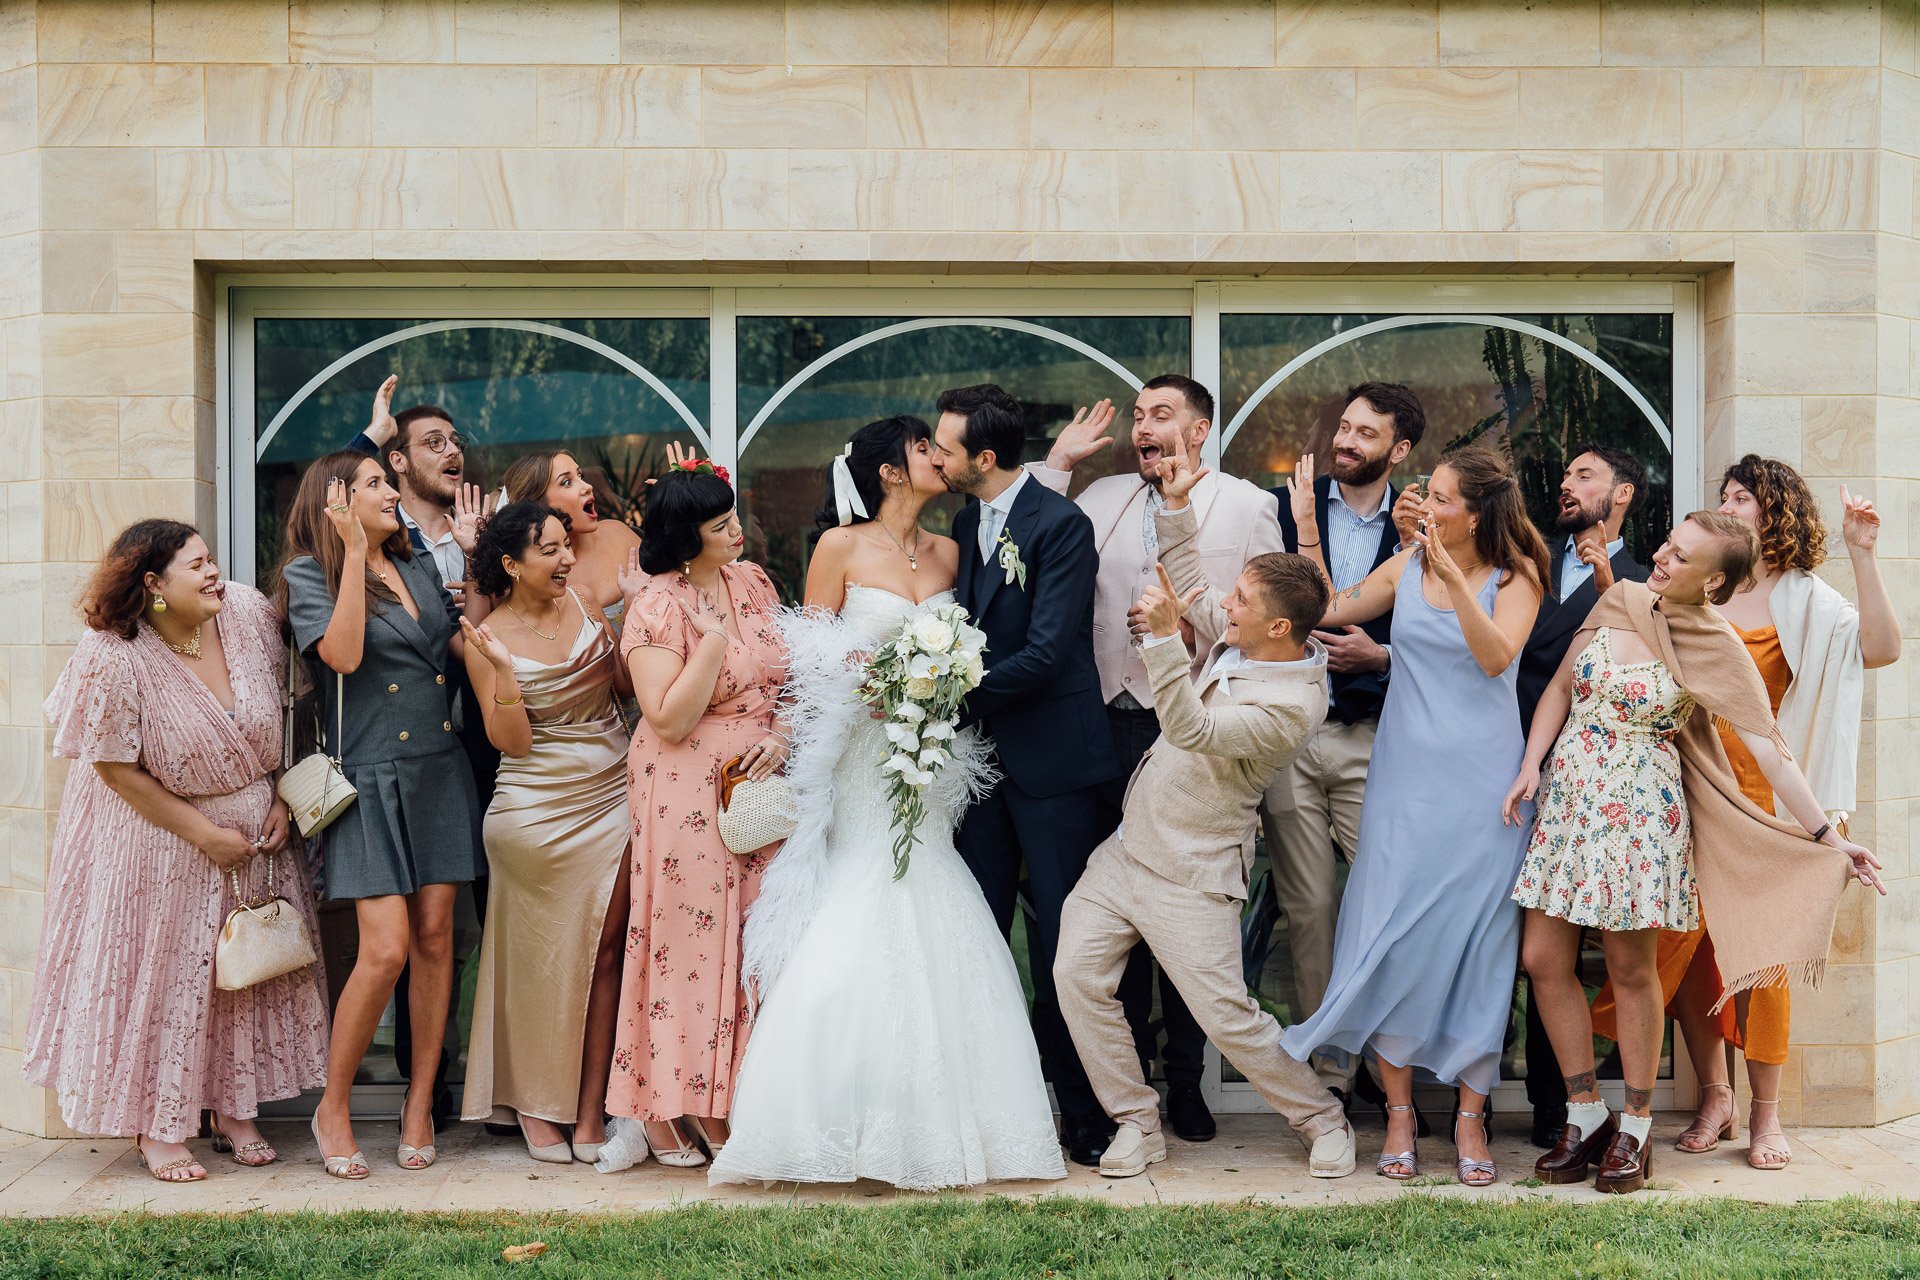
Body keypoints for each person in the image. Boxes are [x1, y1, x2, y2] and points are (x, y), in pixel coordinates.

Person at [711, 416, 1067, 1191]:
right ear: (890, 472)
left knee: (933, 884)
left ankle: (949, 1120)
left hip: (932, 757)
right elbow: (806, 658)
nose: (938, 457)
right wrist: (790, 730)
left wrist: (942, 682)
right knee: (863, 890)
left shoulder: (955, 549)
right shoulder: (840, 547)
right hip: (862, 758)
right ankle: (829, 1118)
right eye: (923, 449)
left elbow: (981, 642)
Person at [1515, 514, 1883, 1192]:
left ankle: (1634, 1128)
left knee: (1631, 970)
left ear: (1713, 581)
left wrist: (1828, 837)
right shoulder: (1620, 599)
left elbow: (1771, 750)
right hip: (1569, 802)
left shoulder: (1717, 643)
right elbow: (1562, 687)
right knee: (1542, 958)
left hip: (1640, 817)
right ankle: (1584, 1112)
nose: (1661, 557)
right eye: (1668, 545)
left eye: (1680, 556)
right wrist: (1530, 766)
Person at [1057, 448, 1357, 1180]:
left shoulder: (1293, 705)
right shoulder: (1247, 636)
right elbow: (1191, 577)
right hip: (1127, 851)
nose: (1227, 604)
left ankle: (1322, 1117)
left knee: (1228, 1017)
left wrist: (1163, 639)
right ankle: (1137, 1120)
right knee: (1075, 977)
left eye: (1242, 599)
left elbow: (1193, 729)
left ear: (1279, 628)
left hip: (1193, 872)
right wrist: (1176, 508)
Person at [1595, 455, 1900, 1170]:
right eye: (1725, 495)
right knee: (1686, 950)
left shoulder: (1806, 601)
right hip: (1693, 791)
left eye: (1743, 497)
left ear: (1776, 511)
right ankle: (1715, 1095)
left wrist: (1862, 554)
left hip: (1770, 800)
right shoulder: (1693, 589)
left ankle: (1767, 1113)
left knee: (1764, 960)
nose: (1729, 504)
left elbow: (1882, 649)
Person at [25, 521, 329, 1183]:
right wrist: (205, 835)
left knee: (243, 977)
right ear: (153, 584)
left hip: (256, 839)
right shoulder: (111, 653)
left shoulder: (246, 613)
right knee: (168, 983)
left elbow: (290, 714)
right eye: (197, 565)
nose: (215, 572)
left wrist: (282, 797)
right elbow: (113, 769)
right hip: (160, 844)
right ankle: (158, 1125)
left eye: (211, 559)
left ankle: (234, 1108)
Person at [1277, 446, 1549, 1187]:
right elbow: (1329, 608)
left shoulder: (1516, 577)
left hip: (1484, 789)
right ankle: (1398, 1113)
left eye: (1442, 497)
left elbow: (1496, 657)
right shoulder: (1403, 569)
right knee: (1390, 936)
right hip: (1403, 784)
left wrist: (1455, 577)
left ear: (1476, 514)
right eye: (1428, 494)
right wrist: (1308, 530)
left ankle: (1469, 1116)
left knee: (1479, 947)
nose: (1426, 506)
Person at [1027, 374, 1283, 1143]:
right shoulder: (1102, 496)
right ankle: (1130, 1080)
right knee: (1120, 906)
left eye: (1161, 414)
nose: (1144, 426)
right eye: (1138, 415)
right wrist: (1057, 464)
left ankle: (1187, 1081)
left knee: (1187, 911)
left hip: (1190, 734)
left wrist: (1200, 637)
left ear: (1199, 430)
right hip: (1102, 727)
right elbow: (1030, 542)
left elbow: (1269, 626)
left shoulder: (1246, 505)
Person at [279, 450, 485, 1179]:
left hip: (438, 769)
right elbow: (340, 655)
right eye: (374, 484)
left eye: (386, 482)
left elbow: (460, 649)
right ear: (335, 500)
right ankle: (332, 1107)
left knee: (435, 940)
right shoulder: (309, 575)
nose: (390, 492)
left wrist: (474, 571)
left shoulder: (418, 563)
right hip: (367, 778)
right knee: (386, 949)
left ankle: (420, 1102)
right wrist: (352, 555)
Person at [932, 383, 1122, 1168]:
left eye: (944, 448)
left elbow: (1046, 653)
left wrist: (940, 692)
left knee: (1060, 947)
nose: (934, 458)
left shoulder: (1062, 526)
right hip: (982, 770)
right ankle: (997, 1105)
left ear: (983, 457)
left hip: (1055, 765)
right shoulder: (966, 521)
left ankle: (1085, 1113)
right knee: (980, 935)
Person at [609, 458, 790, 1168]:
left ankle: (739, 1094)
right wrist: (712, 640)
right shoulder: (656, 605)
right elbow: (668, 717)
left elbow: (789, 676)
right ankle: (674, 1104)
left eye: (733, 516)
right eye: (720, 524)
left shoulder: (754, 582)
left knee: (752, 938)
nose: (736, 530)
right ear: (687, 538)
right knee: (688, 942)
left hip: (758, 784)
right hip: (684, 785)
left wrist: (783, 735)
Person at [457, 503, 633, 1165]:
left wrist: (637, 613)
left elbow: (623, 688)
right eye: (551, 550)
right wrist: (505, 674)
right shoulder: (486, 636)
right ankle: (534, 1105)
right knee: (537, 968)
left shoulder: (586, 601)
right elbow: (513, 742)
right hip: (533, 811)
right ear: (511, 564)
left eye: (567, 547)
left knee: (606, 953)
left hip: (614, 794)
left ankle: (590, 1111)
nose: (567, 559)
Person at [346, 375, 500, 1131]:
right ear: (397, 464)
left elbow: (486, 637)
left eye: (456, 440)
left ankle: (482, 1086)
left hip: (473, 750)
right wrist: (368, 439)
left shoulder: (476, 531)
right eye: (432, 442)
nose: (452, 452)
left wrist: (480, 566)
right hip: (389, 754)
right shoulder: (378, 534)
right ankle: (422, 1091)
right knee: (400, 939)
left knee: (463, 930)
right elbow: (330, 496)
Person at [1264, 382, 1424, 1102]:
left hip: (1376, 738)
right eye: (1345, 427)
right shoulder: (1284, 509)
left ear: (1400, 450)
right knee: (1309, 911)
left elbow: (1444, 628)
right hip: (1292, 738)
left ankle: (1394, 1071)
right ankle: (1328, 1075)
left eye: (1367, 433)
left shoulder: (1420, 525)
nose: (1347, 441)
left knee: (1389, 906)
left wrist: (1381, 658)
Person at [1510, 443, 1651, 1149]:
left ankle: (1563, 1109)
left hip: (1600, 790)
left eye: (1584, 475)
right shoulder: (1524, 563)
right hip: (1505, 765)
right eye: (1564, 474)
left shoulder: (1648, 581)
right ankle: (1489, 1096)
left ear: (1622, 494)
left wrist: (1608, 590)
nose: (1567, 483)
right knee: (1522, 947)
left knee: (1594, 954)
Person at [500, 448, 645, 635]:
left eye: (580, 476)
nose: (587, 486)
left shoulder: (617, 533)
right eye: (566, 482)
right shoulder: (531, 575)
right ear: (536, 505)